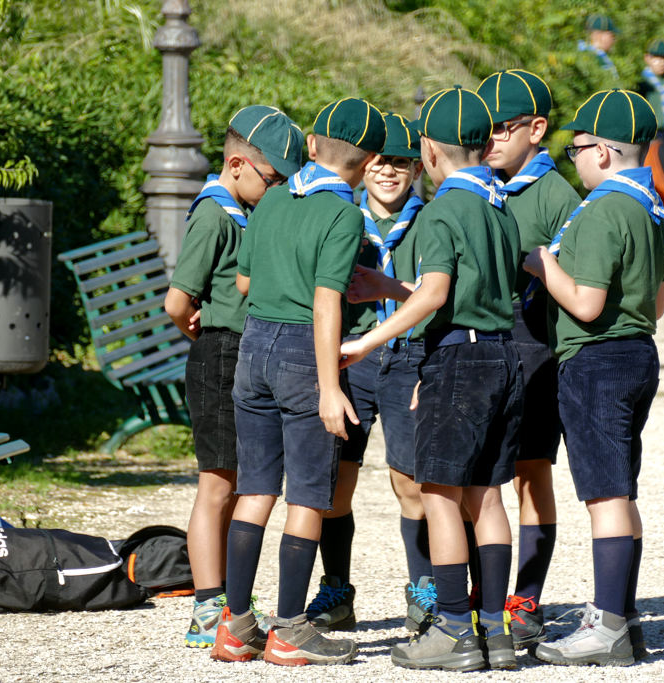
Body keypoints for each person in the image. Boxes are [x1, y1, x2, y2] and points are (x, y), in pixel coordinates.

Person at [339, 86, 523, 672]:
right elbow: (473, 287)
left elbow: (440, 293)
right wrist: (393, 289)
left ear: (429, 151)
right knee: (487, 498)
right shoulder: (499, 206)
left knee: (439, 495)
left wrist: (368, 339)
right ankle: (494, 630)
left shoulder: (443, 210)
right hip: (503, 354)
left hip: (457, 357)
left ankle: (450, 628)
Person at [210, 97, 387, 667]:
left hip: (253, 347)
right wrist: (330, 385)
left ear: (309, 146)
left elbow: (241, 283)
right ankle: (289, 629)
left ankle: (236, 626)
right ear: (368, 163)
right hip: (302, 353)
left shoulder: (272, 199)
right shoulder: (344, 214)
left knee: (255, 489)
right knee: (309, 493)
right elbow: (327, 301)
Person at [523, 89, 664, 667]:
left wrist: (542, 263)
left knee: (603, 494)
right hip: (638, 351)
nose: (573, 158)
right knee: (621, 489)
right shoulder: (649, 205)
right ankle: (624, 617)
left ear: (604, 153)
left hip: (596, 359)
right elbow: (657, 302)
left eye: (577, 148)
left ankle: (606, 623)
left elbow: (584, 304)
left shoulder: (603, 208)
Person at [164, 105, 302, 649]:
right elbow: (178, 300)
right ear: (239, 164)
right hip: (220, 354)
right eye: (273, 180)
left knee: (243, 479)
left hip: (246, 353)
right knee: (217, 484)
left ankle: (224, 594)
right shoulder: (215, 214)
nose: (276, 191)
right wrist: (200, 332)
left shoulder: (248, 211)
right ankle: (207, 604)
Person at [302, 112, 435, 634]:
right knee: (337, 482)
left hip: (409, 358)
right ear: (364, 164)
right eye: (381, 162)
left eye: (403, 164)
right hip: (350, 359)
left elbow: (440, 297)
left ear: (417, 170)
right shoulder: (343, 216)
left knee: (412, 482)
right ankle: (336, 589)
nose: (389, 172)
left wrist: (391, 287)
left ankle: (423, 588)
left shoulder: (432, 220)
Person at [476, 69, 581, 649]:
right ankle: (477, 593)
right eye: (480, 130)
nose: (488, 140)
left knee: (531, 472)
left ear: (536, 130)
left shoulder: (557, 195)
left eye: (501, 129)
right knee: (475, 473)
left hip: (536, 341)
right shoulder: (472, 184)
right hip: (477, 344)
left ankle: (526, 596)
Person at [578, 15, 620, 79]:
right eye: (612, 36)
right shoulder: (601, 59)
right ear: (599, 36)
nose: (614, 41)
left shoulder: (577, 50)